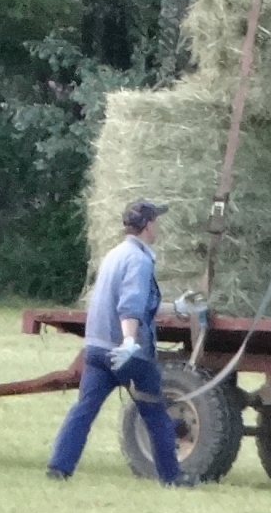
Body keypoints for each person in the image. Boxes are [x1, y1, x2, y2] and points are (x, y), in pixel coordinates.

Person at [46, 199, 189, 485]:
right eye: (156, 221)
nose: (158, 226)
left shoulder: (114, 254)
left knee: (83, 410)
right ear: (148, 225)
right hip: (126, 352)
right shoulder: (139, 259)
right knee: (156, 413)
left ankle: (59, 468)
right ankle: (172, 478)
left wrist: (176, 308)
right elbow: (130, 304)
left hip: (97, 349)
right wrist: (129, 341)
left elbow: (128, 302)